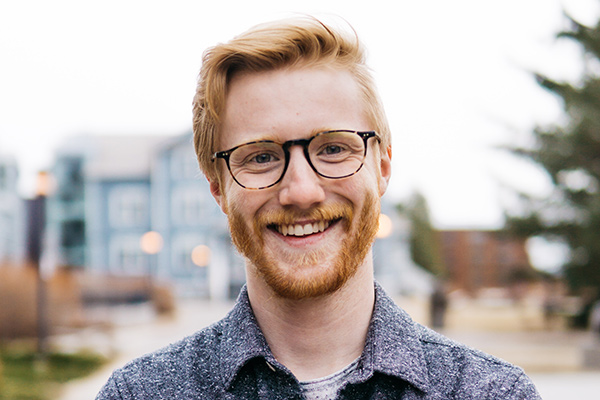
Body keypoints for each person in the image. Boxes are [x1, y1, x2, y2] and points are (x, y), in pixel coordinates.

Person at [96, 17, 541, 399]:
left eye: (333, 148)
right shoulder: (138, 393)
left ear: (382, 167)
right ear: (217, 189)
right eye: (261, 156)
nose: (301, 191)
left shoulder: (491, 392)